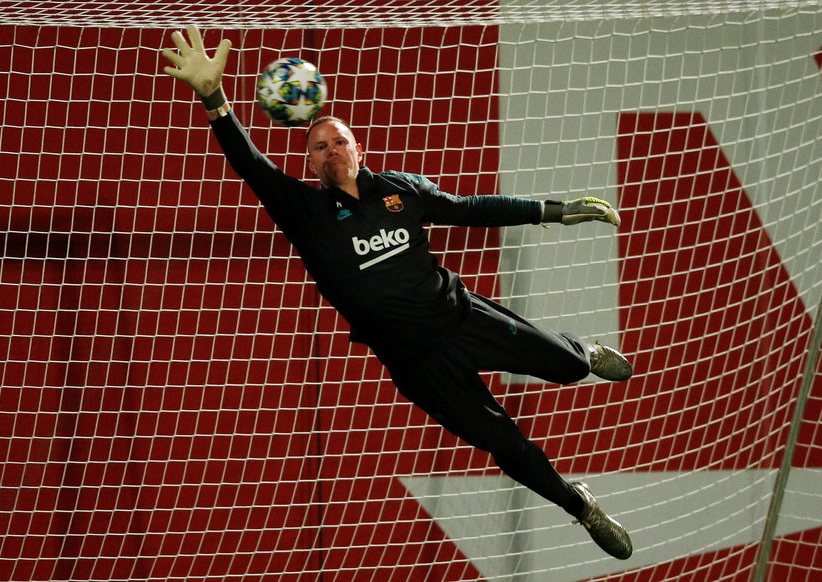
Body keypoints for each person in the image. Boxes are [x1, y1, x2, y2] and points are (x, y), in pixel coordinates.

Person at [162, 24, 634, 560]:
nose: (331, 149)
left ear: (358, 150)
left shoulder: (399, 190)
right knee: (506, 446)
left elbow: (470, 209)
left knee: (568, 368)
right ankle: (581, 507)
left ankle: (584, 352)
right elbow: (250, 164)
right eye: (319, 146)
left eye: (339, 140)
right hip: (417, 364)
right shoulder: (306, 214)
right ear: (310, 164)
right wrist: (214, 97)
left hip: (463, 318)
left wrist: (555, 210)